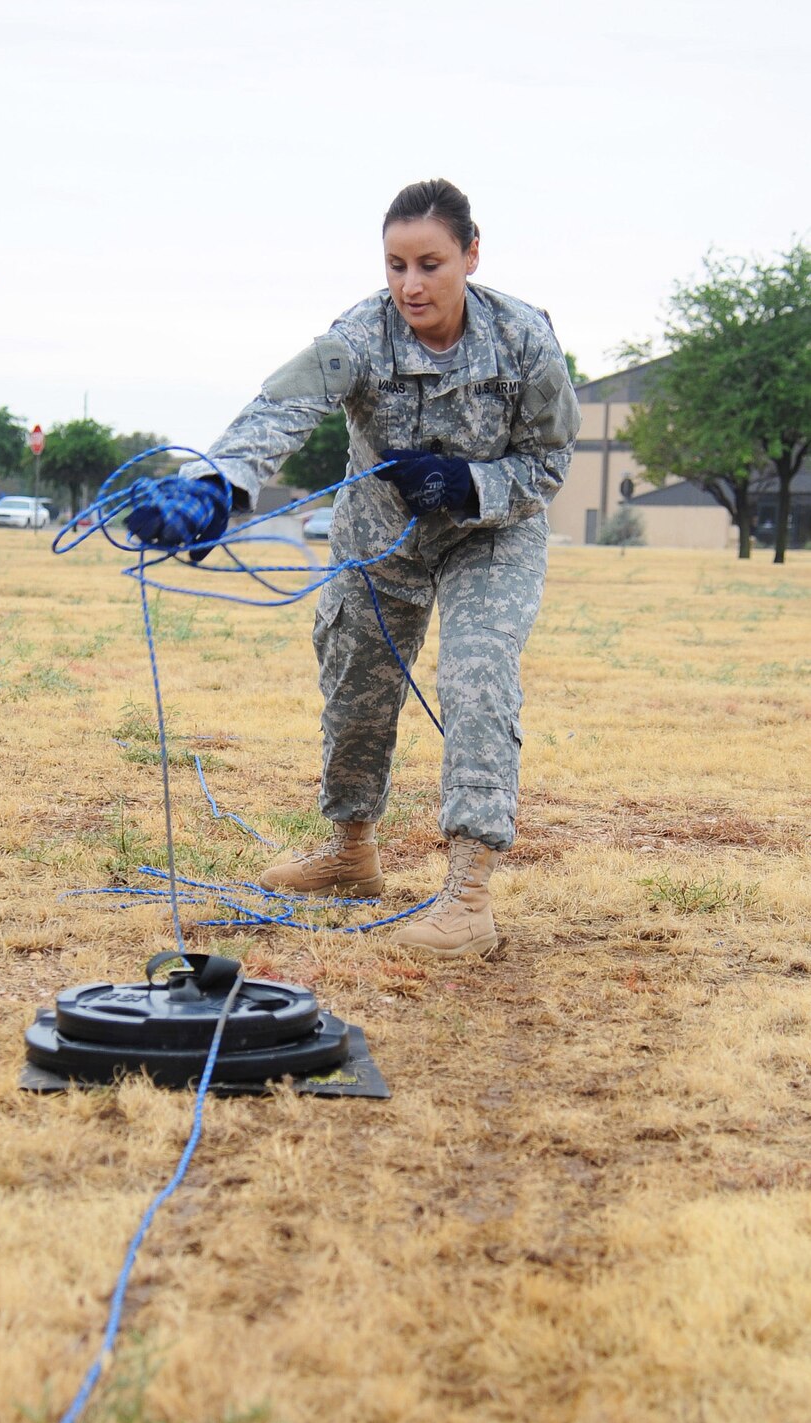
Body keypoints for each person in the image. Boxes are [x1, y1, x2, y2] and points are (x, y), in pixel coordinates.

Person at [126, 178, 580, 958]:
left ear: (471, 255)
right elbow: (285, 405)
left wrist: (470, 483)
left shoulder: (526, 340)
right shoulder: (361, 334)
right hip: (381, 541)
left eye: (431, 263)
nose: (411, 284)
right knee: (354, 685)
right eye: (396, 264)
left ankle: (468, 897)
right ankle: (349, 853)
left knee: (477, 672)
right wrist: (218, 487)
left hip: (493, 535)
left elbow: (550, 460)